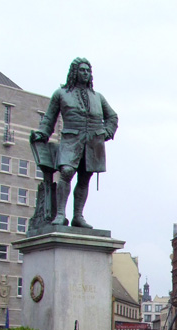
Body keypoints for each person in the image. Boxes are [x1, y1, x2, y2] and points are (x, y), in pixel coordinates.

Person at [32, 57, 118, 228]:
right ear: (74, 72)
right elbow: (50, 117)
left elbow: (112, 117)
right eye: (82, 70)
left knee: (85, 177)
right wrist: (42, 133)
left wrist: (106, 133)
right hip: (71, 140)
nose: (85, 73)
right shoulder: (61, 94)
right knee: (66, 172)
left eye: (88, 71)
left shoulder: (98, 97)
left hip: (93, 144)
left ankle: (78, 215)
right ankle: (61, 214)